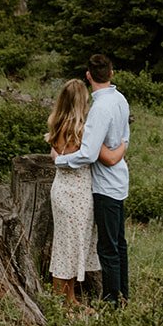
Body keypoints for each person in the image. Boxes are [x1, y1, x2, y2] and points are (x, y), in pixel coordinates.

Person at [50, 53, 130, 304]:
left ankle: (113, 301)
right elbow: (123, 138)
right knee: (118, 245)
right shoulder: (120, 99)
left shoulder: (99, 109)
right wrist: (119, 151)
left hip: (104, 186)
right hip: (117, 183)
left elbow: (90, 153)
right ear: (112, 73)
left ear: (88, 75)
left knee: (109, 248)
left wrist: (59, 160)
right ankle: (120, 297)